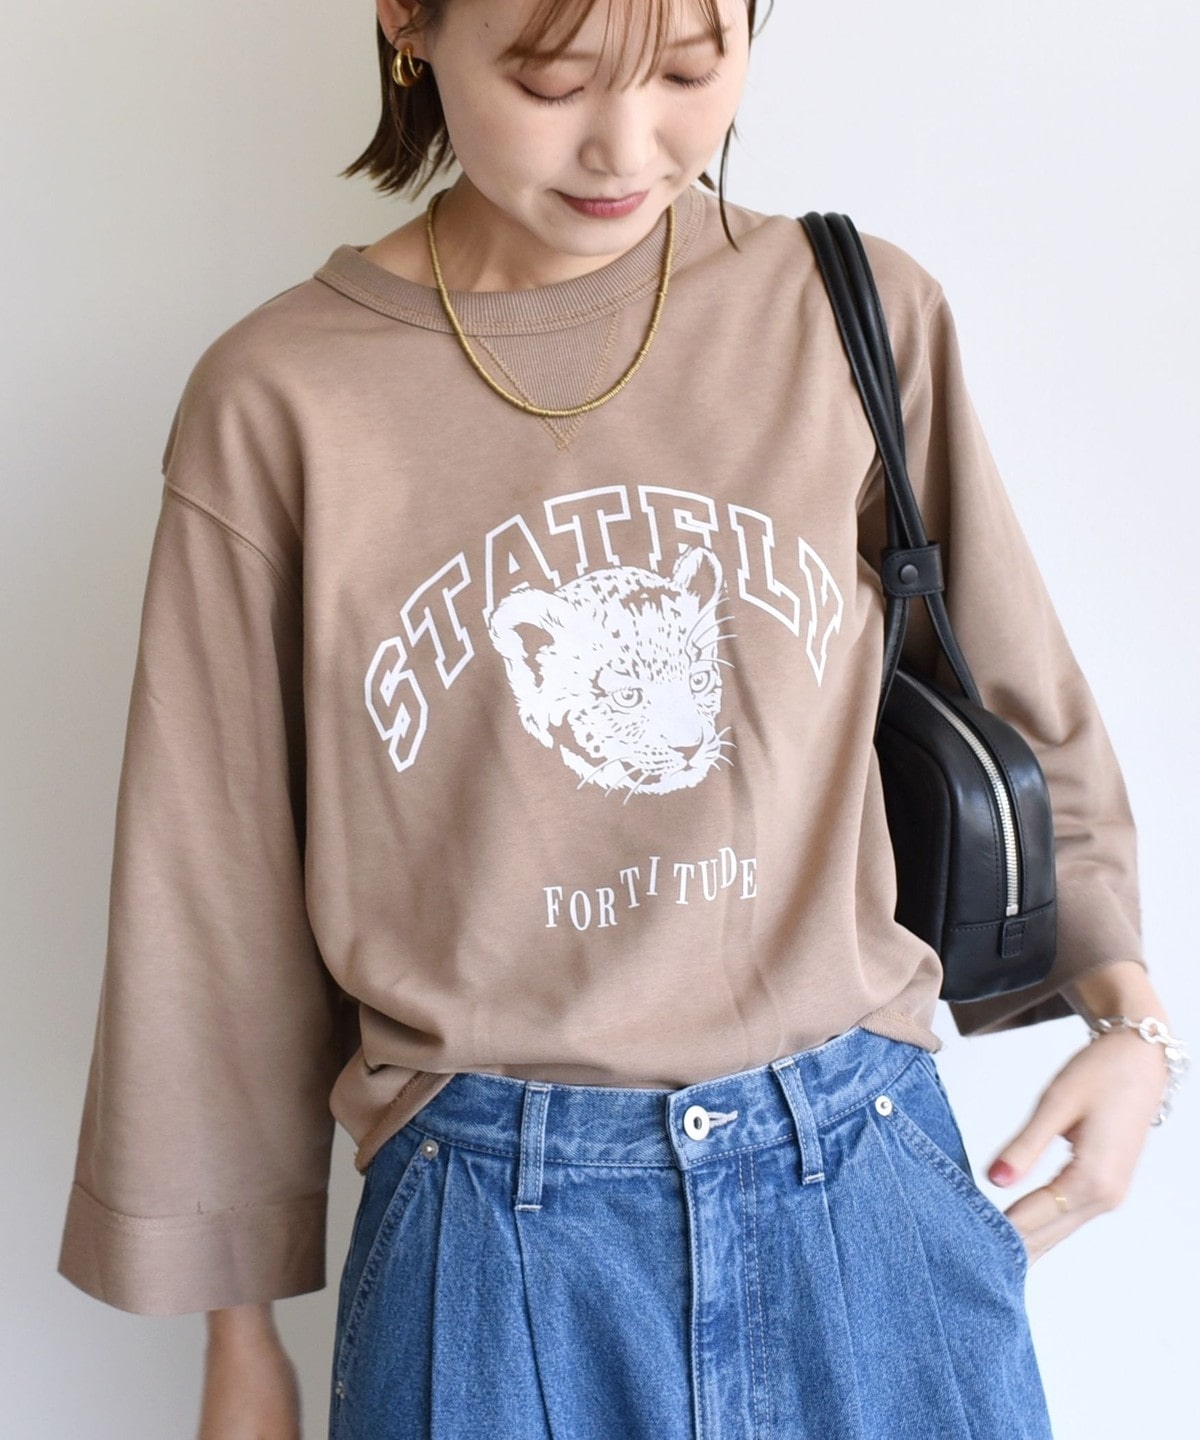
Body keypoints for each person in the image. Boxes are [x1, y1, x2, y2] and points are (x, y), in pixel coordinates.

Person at [56, 1, 1186, 1437]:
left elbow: (1015, 697)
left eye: (693, 71)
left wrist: (1134, 1026)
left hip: (865, 1190)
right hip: (490, 1242)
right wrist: (240, 1340)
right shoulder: (281, 399)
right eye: (556, 79)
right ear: (408, 19)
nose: (628, 145)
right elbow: (211, 897)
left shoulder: (851, 314)